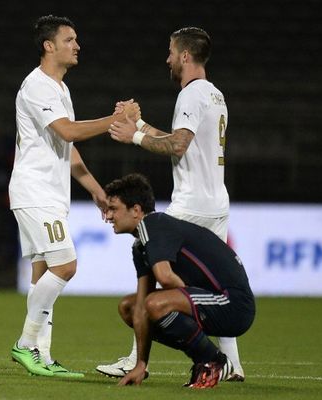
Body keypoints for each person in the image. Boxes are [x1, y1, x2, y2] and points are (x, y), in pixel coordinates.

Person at [98, 27, 246, 381]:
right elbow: (183, 140)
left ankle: (137, 359)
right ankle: (233, 364)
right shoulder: (214, 94)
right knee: (216, 283)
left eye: (170, 52)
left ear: (184, 56)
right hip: (216, 203)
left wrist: (132, 136)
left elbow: (177, 147)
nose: (167, 59)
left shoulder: (190, 95)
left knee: (150, 267)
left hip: (190, 204)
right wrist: (142, 123)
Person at [8, 15, 140, 379]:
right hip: (35, 192)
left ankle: (42, 356)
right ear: (49, 46)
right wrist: (115, 118)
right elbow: (67, 132)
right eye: (69, 39)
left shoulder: (60, 89)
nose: (76, 45)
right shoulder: (37, 86)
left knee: (41, 276)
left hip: (49, 193)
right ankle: (25, 343)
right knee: (65, 266)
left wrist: (97, 191)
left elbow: (67, 150)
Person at [103, 173, 255, 388]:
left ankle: (214, 361)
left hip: (234, 303)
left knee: (156, 305)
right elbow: (140, 307)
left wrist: (179, 302)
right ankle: (207, 359)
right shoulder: (140, 244)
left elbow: (165, 278)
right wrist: (140, 364)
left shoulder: (153, 224)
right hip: (210, 301)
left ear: (136, 210)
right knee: (130, 306)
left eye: (113, 209)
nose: (108, 216)